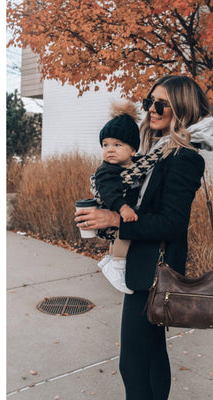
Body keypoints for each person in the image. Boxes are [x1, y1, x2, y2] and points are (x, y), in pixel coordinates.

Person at [75, 75, 213, 399]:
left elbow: (173, 223)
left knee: (134, 362)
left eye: (160, 104)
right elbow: (144, 207)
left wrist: (115, 219)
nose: (151, 108)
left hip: (155, 272)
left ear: (181, 109)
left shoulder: (185, 157)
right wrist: (106, 213)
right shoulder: (158, 152)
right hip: (145, 267)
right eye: (149, 101)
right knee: (150, 353)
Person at [90, 100, 164, 294]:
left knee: (120, 237)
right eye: (105, 145)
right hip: (117, 211)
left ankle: (109, 261)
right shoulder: (106, 170)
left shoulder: (134, 165)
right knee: (124, 236)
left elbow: (145, 165)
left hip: (125, 211)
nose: (110, 149)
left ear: (132, 150)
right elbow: (109, 193)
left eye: (117, 144)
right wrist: (123, 208)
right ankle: (117, 267)